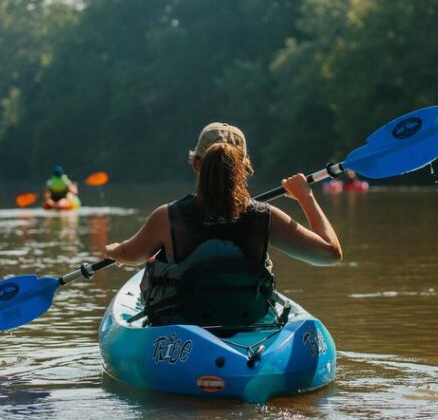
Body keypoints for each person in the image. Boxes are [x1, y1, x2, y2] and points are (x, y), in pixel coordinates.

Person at [104, 122, 342, 328]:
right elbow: (330, 255)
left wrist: (113, 250)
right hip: (248, 321)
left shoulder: (167, 216)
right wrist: (305, 197)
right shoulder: (265, 216)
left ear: (196, 164)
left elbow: (130, 255)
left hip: (183, 324)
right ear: (244, 167)